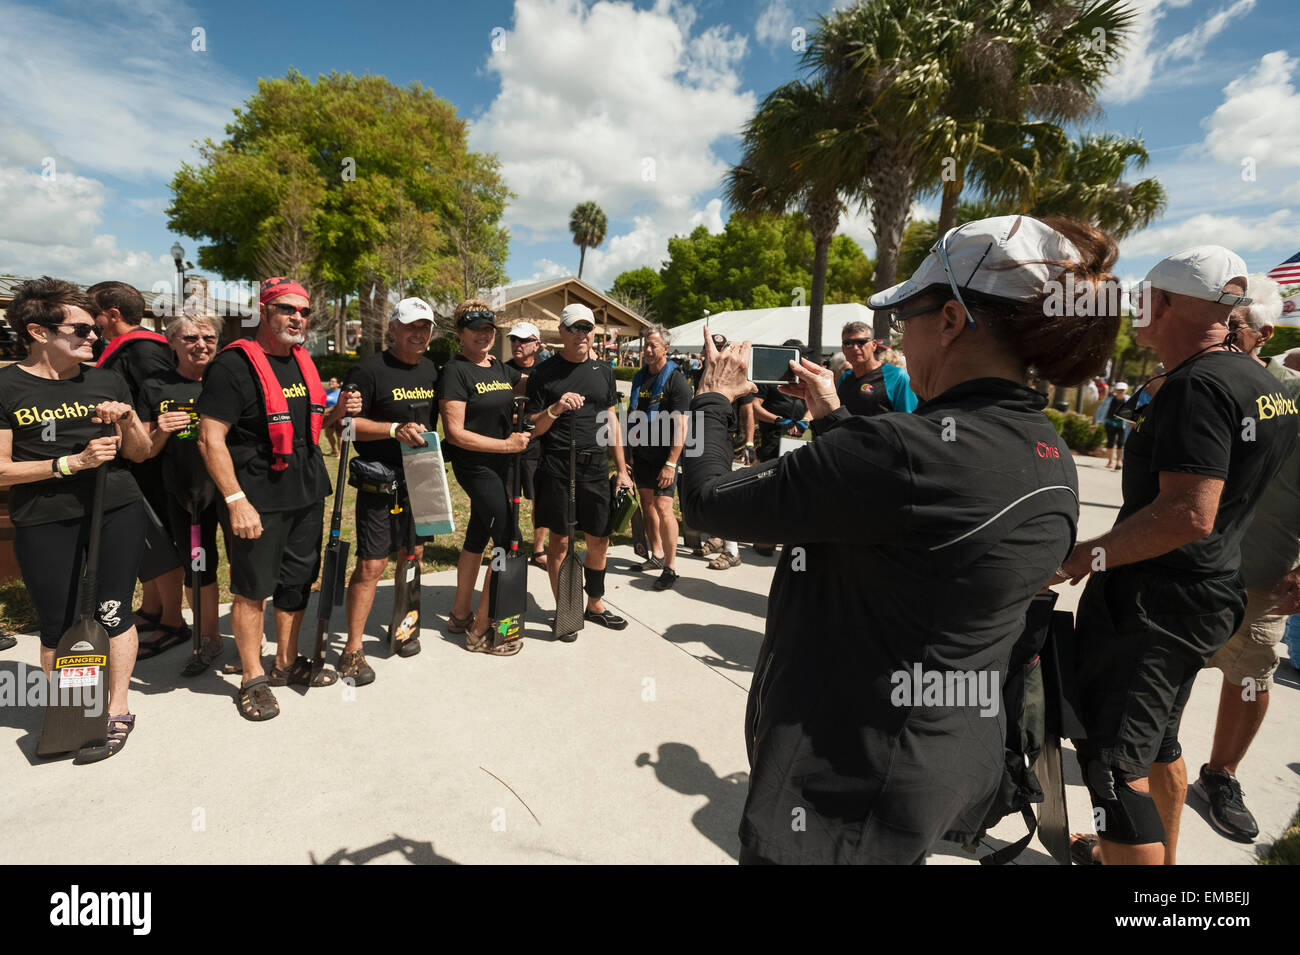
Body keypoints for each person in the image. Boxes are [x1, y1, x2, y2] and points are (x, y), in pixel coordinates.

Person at [680, 214, 1122, 864]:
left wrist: (713, 403)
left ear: (949, 319)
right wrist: (837, 418)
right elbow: (913, 518)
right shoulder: (1049, 451)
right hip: (942, 762)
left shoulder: (899, 450)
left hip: (840, 781)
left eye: (904, 314)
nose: (894, 336)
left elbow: (706, 500)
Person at [1055, 247, 1297, 866]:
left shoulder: (1198, 386)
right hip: (1206, 595)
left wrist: (1085, 557)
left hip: (1157, 607)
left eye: (1144, 296)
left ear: (1164, 301)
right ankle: (1153, 859)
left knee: (1113, 768)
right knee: (1158, 746)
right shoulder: (1260, 381)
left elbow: (1190, 514)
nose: (1136, 306)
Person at [0, 277, 153, 757]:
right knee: (59, 623)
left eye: (95, 330)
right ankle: (71, 714)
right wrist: (70, 464)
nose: (94, 337)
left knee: (113, 611)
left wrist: (127, 420)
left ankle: (116, 709)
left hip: (116, 509)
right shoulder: (7, 385)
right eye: (81, 330)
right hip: (45, 517)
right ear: (38, 331)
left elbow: (142, 453)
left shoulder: (106, 379)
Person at [197, 277, 361, 721]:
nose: (297, 318)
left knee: (296, 583)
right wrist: (235, 500)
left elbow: (309, 426)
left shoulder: (303, 361)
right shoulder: (233, 366)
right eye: (287, 309)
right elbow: (210, 437)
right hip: (258, 499)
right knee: (253, 590)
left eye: (304, 312)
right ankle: (252, 677)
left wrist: (338, 415)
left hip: (306, 493)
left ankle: (286, 664)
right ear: (264, 312)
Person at [1196, 274, 1300, 842]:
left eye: (1236, 321)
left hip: (1265, 567)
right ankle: (1143, 766)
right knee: (1171, 668)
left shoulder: (1293, 392)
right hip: (1193, 566)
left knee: (1254, 671)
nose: (1225, 329)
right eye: (1220, 317)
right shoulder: (1192, 379)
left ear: (1265, 332)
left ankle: (1221, 774)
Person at [337, 298, 439, 680]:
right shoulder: (368, 369)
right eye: (411, 326)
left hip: (422, 475)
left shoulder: (432, 369)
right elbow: (346, 426)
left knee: (412, 554)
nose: (419, 333)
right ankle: (352, 649)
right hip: (380, 478)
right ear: (393, 328)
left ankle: (404, 624)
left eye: (425, 327)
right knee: (371, 564)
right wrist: (392, 430)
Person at [88, 281, 185, 657]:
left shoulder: (144, 350)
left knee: (159, 540)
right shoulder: (130, 348)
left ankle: (174, 622)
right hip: (135, 461)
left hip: (153, 462)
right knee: (145, 542)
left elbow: (163, 400)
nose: (92, 327)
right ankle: (152, 608)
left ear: (112, 315)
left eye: (94, 317)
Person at [526, 303, 633, 639]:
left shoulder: (604, 370)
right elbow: (533, 428)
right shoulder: (544, 374)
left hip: (595, 469)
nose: (581, 335)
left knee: (599, 537)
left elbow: (611, 420)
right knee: (559, 542)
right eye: (574, 328)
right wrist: (555, 408)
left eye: (586, 328)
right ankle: (566, 609)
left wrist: (622, 468)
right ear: (562, 332)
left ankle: (595, 604)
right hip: (558, 467)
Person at [440, 300, 531, 654]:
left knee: (478, 535)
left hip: (500, 467)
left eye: (488, 329)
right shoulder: (455, 371)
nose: (483, 334)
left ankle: (460, 614)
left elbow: (527, 381)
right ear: (460, 333)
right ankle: (481, 629)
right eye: (475, 328)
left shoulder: (496, 367)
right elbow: (455, 433)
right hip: (477, 467)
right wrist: (508, 446)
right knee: (509, 539)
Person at [139, 313, 224, 677]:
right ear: (171, 342)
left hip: (235, 492)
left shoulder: (229, 381)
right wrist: (161, 429)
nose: (200, 344)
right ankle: (209, 638)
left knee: (250, 568)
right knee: (198, 566)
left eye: (208, 337)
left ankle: (252, 640)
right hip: (186, 496)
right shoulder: (155, 387)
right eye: (190, 338)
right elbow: (144, 450)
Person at [626, 324, 692, 591]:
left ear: (666, 348)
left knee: (664, 507)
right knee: (647, 503)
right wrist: (629, 455)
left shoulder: (677, 381)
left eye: (654, 345)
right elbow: (631, 417)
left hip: (666, 457)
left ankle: (671, 567)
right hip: (642, 454)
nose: (648, 350)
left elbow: (682, 427)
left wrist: (671, 463)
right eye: (646, 346)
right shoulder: (639, 377)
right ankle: (656, 555)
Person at [504, 321, 547, 568]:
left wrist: (529, 418)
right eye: (513, 340)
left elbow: (547, 412)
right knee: (508, 498)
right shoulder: (501, 370)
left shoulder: (545, 372)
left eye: (523, 340)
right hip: (507, 444)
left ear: (537, 344)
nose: (517, 344)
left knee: (538, 499)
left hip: (536, 446)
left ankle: (539, 549)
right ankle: (512, 543)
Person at [835, 320, 918, 416]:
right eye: (848, 343)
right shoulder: (844, 378)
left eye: (861, 342)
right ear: (843, 349)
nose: (855, 348)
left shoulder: (896, 376)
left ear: (874, 345)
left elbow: (909, 420)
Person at [1093, 380, 1130, 470]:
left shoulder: (1129, 400)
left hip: (1123, 424)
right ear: (1115, 390)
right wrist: (1096, 421)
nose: (1120, 392)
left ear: (1126, 391)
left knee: (1121, 443)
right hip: (1109, 423)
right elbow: (1100, 410)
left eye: (1122, 390)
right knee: (1110, 442)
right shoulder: (1109, 400)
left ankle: (1119, 461)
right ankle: (1110, 461)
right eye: (1119, 390)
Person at [323, 377, 342, 455]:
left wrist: (327, 410)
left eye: (333, 382)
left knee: (339, 435)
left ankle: (341, 454)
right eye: (330, 381)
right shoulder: (326, 392)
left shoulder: (341, 393)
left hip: (338, 416)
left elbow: (338, 405)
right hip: (328, 416)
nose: (330, 383)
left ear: (338, 384)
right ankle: (334, 450)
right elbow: (322, 402)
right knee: (328, 434)